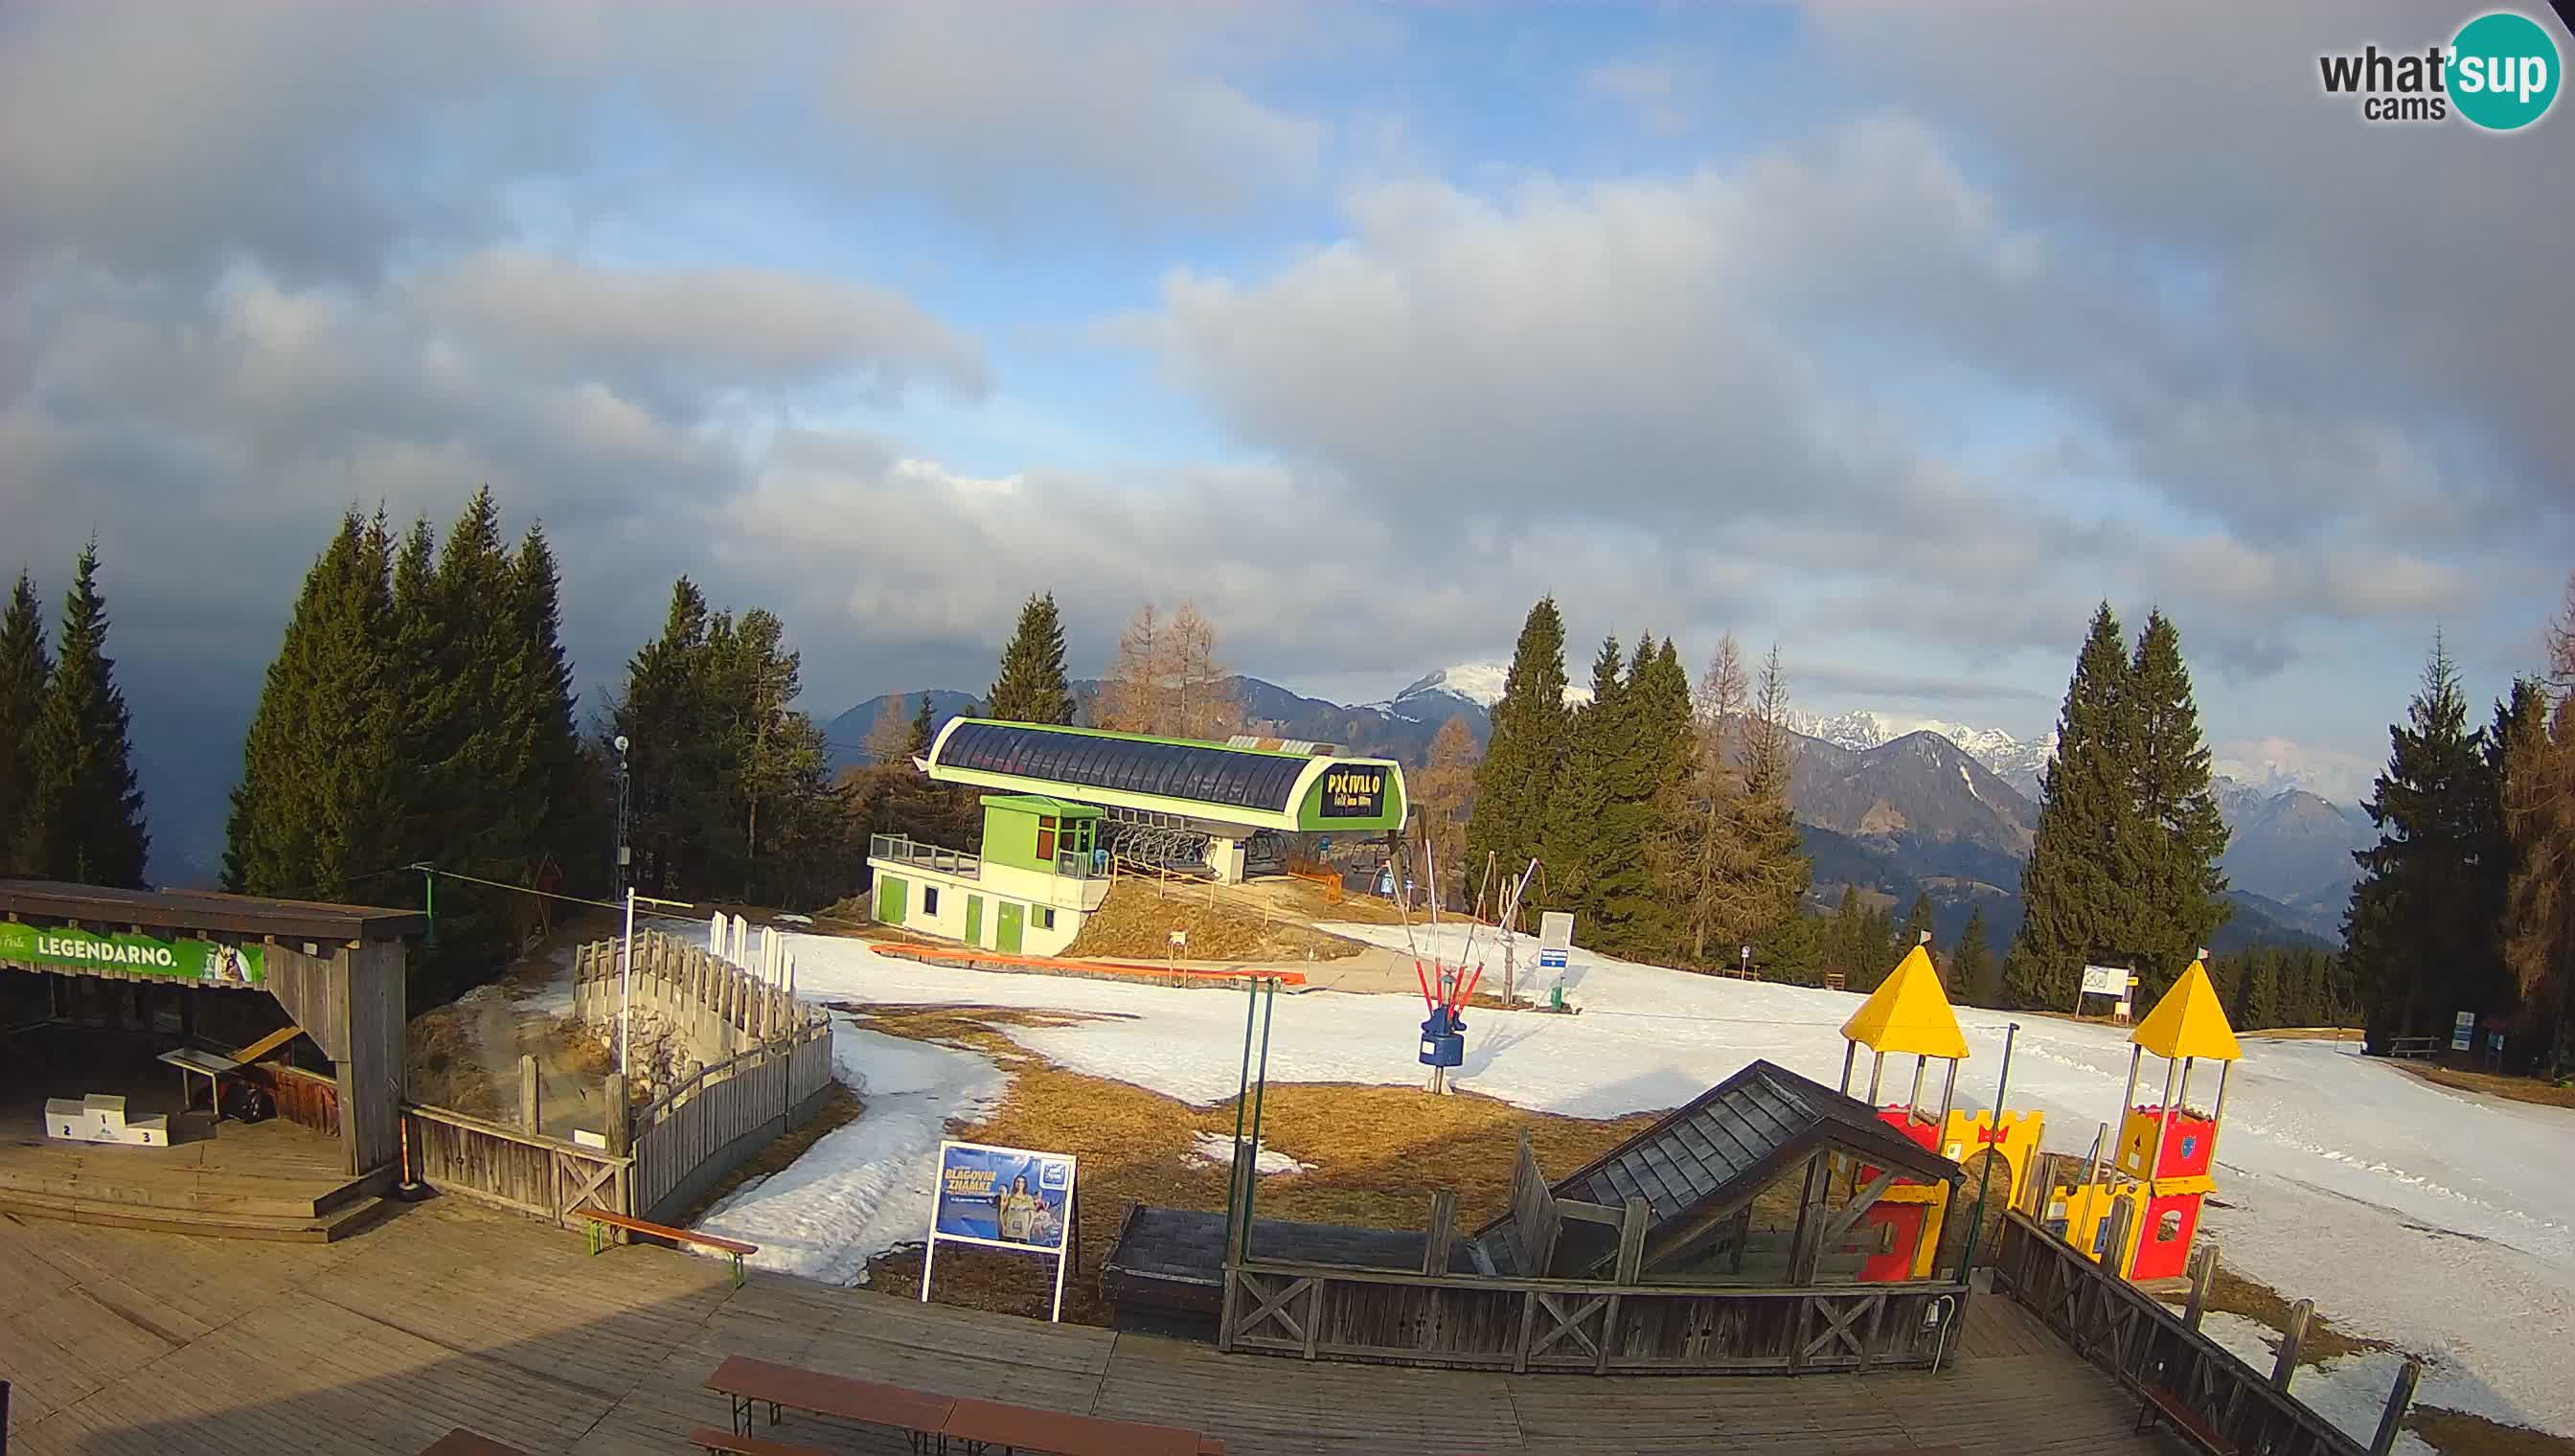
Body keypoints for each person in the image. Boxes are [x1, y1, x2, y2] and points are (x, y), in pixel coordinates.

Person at [996, 1173, 1041, 1243]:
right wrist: (1003, 1226)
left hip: (1023, 1232)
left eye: (1022, 1182)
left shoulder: (1028, 1198)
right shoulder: (1010, 1197)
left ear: (1025, 1184)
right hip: (1010, 1231)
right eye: (1018, 1181)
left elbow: (1032, 1215)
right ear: (1015, 1183)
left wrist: (1028, 1229)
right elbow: (1002, 1211)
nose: (1020, 1184)